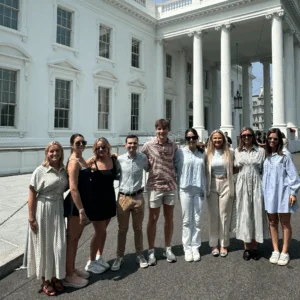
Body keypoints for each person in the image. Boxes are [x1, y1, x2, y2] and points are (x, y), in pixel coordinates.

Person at [27, 141, 68, 296]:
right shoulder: (40, 171)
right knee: (44, 246)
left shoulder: (64, 170)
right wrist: (31, 217)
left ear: (61, 153)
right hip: (43, 210)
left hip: (58, 208)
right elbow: (31, 194)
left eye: (57, 151)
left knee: (58, 245)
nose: (54, 154)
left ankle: (55, 276)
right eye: (51, 151)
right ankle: (45, 280)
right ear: (46, 153)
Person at [141, 119, 178, 265]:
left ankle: (167, 248)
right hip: (155, 186)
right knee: (153, 219)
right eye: (159, 129)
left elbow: (178, 162)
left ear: (168, 130)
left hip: (170, 187)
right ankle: (151, 250)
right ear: (156, 130)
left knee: (169, 218)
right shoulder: (148, 146)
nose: (161, 131)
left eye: (164, 129)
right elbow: (140, 160)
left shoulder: (174, 146)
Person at [111, 135, 149, 271]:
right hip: (123, 197)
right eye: (129, 143)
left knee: (138, 228)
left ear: (138, 145)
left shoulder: (143, 158)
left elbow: (150, 168)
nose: (132, 146)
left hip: (138, 196)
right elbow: (112, 172)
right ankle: (119, 257)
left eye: (134, 143)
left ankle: (140, 254)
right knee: (122, 229)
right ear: (125, 145)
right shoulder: (119, 160)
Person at [263, 128, 300, 266]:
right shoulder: (267, 155)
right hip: (269, 194)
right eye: (270, 138)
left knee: (285, 223)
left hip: (283, 193)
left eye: (275, 138)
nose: (272, 140)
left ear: (280, 140)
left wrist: (293, 192)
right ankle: (275, 250)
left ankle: (284, 252)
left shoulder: (285, 155)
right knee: (272, 222)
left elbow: (293, 176)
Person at [85, 137, 121, 273]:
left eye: (104, 147)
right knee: (99, 231)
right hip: (96, 202)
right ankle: (91, 261)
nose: (101, 149)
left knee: (103, 230)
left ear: (108, 148)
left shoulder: (113, 160)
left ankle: (99, 256)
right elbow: (79, 173)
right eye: (99, 147)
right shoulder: (92, 162)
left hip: (109, 200)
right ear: (95, 149)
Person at [175, 128, 206, 262]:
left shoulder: (203, 153)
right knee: (187, 220)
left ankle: (195, 246)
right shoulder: (180, 152)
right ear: (185, 139)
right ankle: (187, 247)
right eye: (188, 138)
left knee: (197, 220)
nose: (191, 140)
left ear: (197, 138)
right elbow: (173, 167)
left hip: (199, 189)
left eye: (193, 137)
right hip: (185, 190)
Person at [63, 134, 90, 288]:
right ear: (72, 145)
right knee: (72, 239)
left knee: (76, 238)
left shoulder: (81, 159)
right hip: (75, 205)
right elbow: (73, 188)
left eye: (83, 142)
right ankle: (68, 276)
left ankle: (72, 268)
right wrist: (80, 209)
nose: (80, 145)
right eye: (77, 143)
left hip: (82, 202)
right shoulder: (73, 162)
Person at [234, 127, 265, 261]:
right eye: (243, 135)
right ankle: (247, 247)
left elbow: (264, 169)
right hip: (242, 185)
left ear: (253, 136)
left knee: (257, 213)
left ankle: (255, 246)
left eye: (249, 135)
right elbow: (234, 167)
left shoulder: (261, 151)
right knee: (245, 214)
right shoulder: (237, 151)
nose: (246, 137)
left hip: (257, 184)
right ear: (240, 137)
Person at [206, 130, 235, 257]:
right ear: (211, 140)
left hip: (226, 184)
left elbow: (237, 166)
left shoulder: (230, 152)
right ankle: (213, 244)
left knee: (224, 215)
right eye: (215, 138)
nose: (217, 140)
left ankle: (224, 244)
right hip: (212, 184)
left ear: (223, 139)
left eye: (219, 138)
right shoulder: (207, 153)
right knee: (213, 215)